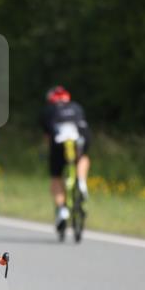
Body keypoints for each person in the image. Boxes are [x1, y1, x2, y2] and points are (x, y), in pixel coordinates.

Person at [40, 85, 91, 234]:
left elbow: (47, 137)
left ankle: (62, 210)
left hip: (58, 143)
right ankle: (81, 181)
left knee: (56, 177)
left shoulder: (48, 110)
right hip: (80, 138)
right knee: (83, 157)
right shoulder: (77, 107)